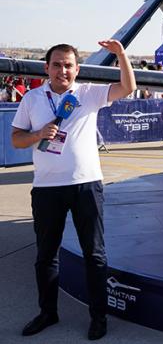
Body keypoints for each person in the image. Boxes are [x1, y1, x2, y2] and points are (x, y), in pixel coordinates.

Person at [11, 40, 136, 340]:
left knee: (94, 255)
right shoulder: (32, 98)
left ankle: (98, 317)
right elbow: (16, 138)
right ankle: (47, 313)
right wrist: (38, 134)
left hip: (85, 185)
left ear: (77, 69)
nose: (62, 70)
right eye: (57, 65)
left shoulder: (88, 93)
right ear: (46, 68)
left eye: (68, 65)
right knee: (46, 256)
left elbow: (127, 87)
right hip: (46, 188)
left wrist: (121, 55)